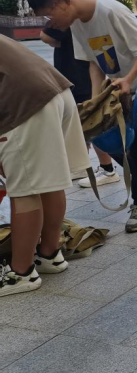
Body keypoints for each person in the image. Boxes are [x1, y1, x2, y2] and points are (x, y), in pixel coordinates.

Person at [27, 0, 137, 234]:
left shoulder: (111, 11)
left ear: (64, 1)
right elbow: (94, 63)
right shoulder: (76, 23)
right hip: (116, 86)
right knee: (108, 139)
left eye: (49, 14)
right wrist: (96, 101)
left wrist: (129, 79)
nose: (50, 23)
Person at [0, 37, 89, 296]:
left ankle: (21, 273)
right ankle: (49, 256)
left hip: (24, 103)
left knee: (24, 190)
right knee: (47, 181)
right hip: (56, 92)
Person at [40, 0, 120, 187]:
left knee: (90, 121)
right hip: (81, 71)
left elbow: (46, 36)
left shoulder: (69, 6)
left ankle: (110, 169)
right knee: (81, 122)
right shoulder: (77, 4)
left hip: (80, 73)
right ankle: (83, 166)